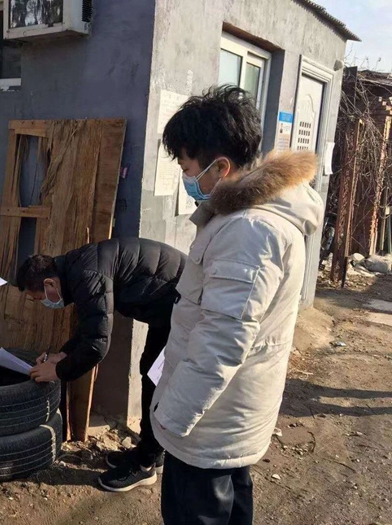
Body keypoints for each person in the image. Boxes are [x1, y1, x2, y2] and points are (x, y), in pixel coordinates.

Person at [150, 86, 324, 525]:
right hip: (227, 416)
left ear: (221, 167)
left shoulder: (249, 232)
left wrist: (172, 416)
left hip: (209, 425)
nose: (187, 178)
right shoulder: (249, 218)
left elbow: (221, 342)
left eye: (188, 168)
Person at [16, 238, 186, 492]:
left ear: (49, 283)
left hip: (186, 305)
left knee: (156, 380)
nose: (43, 303)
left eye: (38, 297)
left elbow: (97, 346)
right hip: (170, 306)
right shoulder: (77, 269)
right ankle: (152, 452)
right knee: (151, 373)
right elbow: (90, 327)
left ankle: (144, 465)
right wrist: (62, 355)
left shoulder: (85, 275)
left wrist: (58, 371)